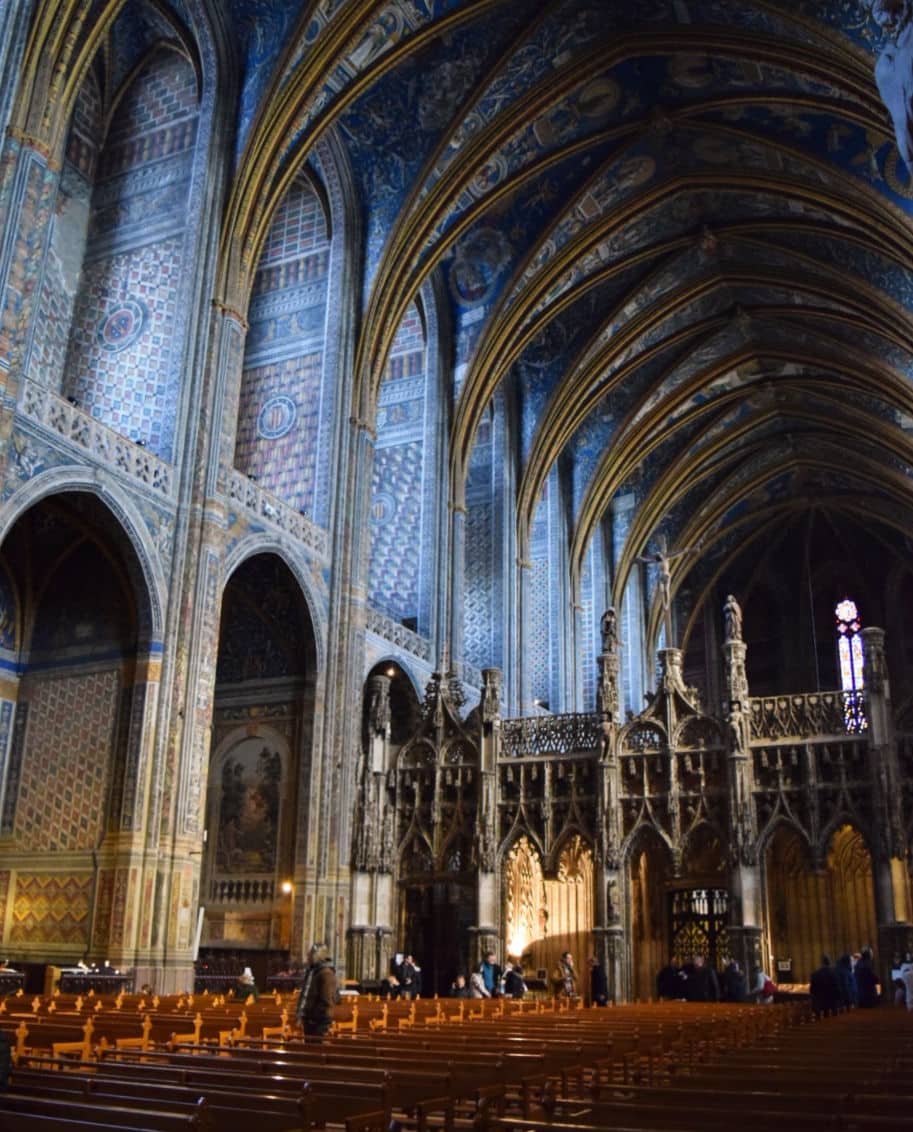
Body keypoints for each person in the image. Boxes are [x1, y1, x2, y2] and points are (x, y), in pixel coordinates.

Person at [295, 942, 337, 1040]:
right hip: (310, 1020)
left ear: (317, 956)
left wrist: (313, 1016)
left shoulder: (326, 974)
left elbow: (326, 1001)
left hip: (319, 1022)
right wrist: (302, 1014)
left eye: (310, 954)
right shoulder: (312, 971)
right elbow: (305, 994)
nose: (308, 957)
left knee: (315, 1050)